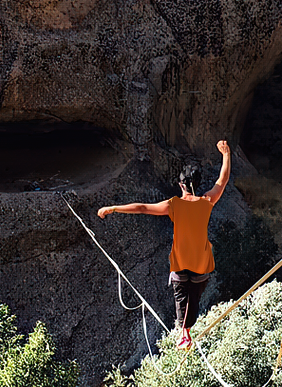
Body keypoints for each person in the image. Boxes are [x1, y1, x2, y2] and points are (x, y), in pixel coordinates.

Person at [98, 140, 231, 349]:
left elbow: (142, 208)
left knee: (181, 296)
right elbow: (222, 181)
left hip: (180, 262)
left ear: (181, 185)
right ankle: (185, 332)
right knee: (193, 298)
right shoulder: (207, 202)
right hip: (202, 263)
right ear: (198, 184)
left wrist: (113, 208)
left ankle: (183, 332)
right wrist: (226, 154)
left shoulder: (173, 205)